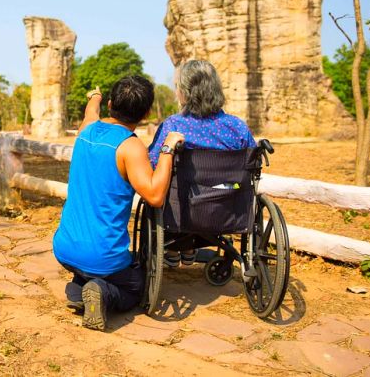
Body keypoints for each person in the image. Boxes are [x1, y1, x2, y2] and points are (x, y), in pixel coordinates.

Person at [53, 75, 184, 331]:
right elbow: (155, 196)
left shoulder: (86, 131)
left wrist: (95, 96)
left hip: (64, 248)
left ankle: (78, 289)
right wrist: (168, 148)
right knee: (137, 285)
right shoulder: (131, 147)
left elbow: (91, 111)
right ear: (146, 113)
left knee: (91, 268)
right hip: (103, 257)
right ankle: (102, 291)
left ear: (111, 104)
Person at [148, 59, 256, 267]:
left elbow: (154, 162)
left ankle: (179, 246)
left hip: (185, 208)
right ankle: (192, 248)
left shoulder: (174, 125)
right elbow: (252, 162)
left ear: (186, 92)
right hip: (227, 207)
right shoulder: (237, 127)